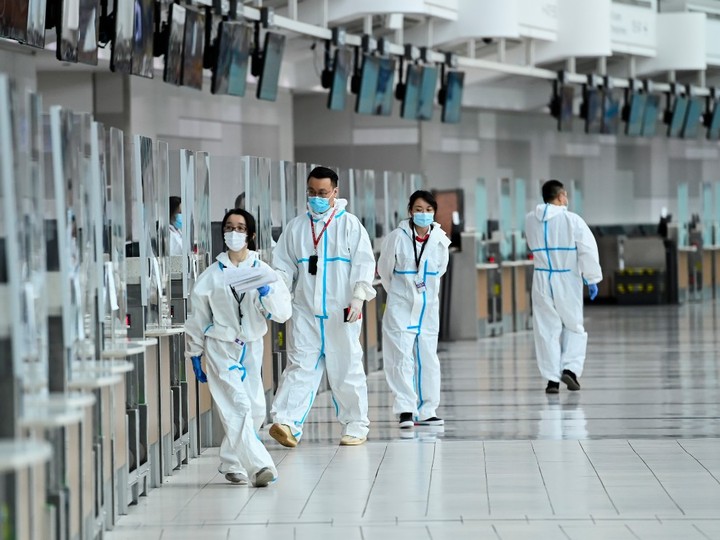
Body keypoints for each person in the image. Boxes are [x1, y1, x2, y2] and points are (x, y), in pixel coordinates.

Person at [269, 166, 376, 447]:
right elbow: (282, 265)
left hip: (342, 310)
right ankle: (287, 423)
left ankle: (355, 424)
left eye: (323, 193)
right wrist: (276, 291)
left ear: (335, 193)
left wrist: (358, 297)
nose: (316, 198)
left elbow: (365, 263)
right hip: (305, 309)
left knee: (346, 367)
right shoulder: (296, 227)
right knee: (300, 365)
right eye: (312, 192)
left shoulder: (349, 225)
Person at [185, 208, 292, 487]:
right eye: (229, 228)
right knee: (239, 406)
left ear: (251, 234)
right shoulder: (211, 276)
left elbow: (282, 313)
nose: (234, 233)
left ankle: (231, 461)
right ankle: (260, 467)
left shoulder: (263, 271)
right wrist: (195, 352)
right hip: (220, 347)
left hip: (251, 345)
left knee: (256, 408)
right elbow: (197, 317)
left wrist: (268, 293)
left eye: (240, 228)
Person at [377, 190, 451, 429]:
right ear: (410, 210)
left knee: (428, 357)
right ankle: (406, 409)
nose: (424, 214)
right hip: (401, 304)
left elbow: (440, 271)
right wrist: (401, 294)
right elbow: (385, 271)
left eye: (429, 210)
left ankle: (428, 410)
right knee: (400, 356)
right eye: (419, 209)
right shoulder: (396, 237)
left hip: (428, 306)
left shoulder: (440, 239)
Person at [525, 180, 602, 394]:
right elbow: (587, 248)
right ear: (560, 196)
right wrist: (592, 277)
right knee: (574, 326)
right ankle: (570, 368)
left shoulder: (530, 220)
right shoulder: (572, 220)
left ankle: (552, 381)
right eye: (565, 195)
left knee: (546, 330)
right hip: (566, 278)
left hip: (541, 279)